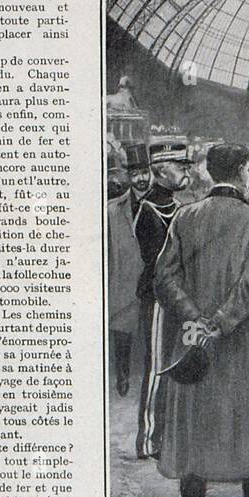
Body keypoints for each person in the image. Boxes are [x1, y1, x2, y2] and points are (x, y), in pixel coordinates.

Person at [153, 142, 249, 497]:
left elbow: (164, 278)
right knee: (245, 423)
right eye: (248, 168)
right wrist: (220, 322)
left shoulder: (184, 217)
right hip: (236, 341)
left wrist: (195, 318)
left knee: (194, 423)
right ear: (243, 170)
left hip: (191, 340)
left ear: (209, 171)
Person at [132, 137, 191, 460]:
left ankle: (165, 434)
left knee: (172, 363)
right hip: (156, 299)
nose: (185, 173)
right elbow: (157, 264)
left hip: (175, 297)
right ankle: (148, 439)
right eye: (180, 167)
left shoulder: (178, 207)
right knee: (157, 367)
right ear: (161, 171)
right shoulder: (149, 210)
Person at [106, 156, 141, 398]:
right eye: (135, 173)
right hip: (123, 280)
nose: (140, 178)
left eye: (144, 172)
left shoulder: (159, 204)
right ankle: (122, 374)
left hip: (146, 281)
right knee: (122, 332)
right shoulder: (112, 210)